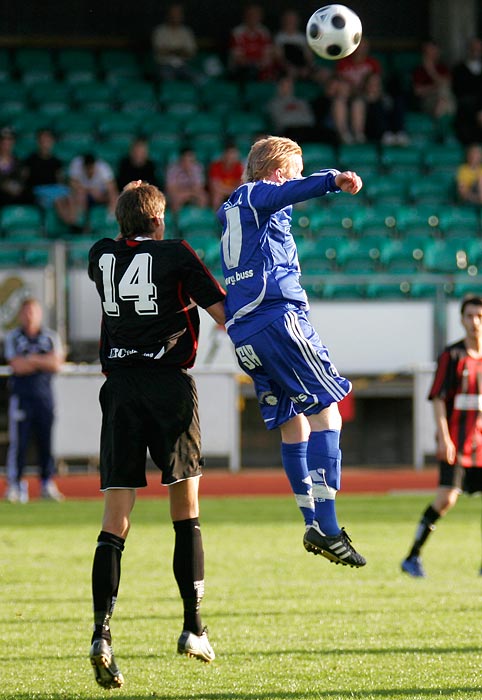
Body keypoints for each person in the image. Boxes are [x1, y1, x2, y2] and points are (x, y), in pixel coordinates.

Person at [87, 180, 226, 689]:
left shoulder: (98, 254)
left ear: (120, 221)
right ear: (160, 220)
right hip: (169, 387)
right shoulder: (177, 254)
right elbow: (223, 314)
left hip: (120, 388)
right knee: (185, 511)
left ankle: (102, 633)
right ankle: (192, 627)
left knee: (115, 517)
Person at [217, 135, 366, 568]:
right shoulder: (258, 193)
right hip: (276, 317)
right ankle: (329, 525)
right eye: (295, 170)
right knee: (328, 411)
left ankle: (310, 520)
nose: (297, 179)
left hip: (245, 329)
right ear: (279, 171)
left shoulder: (232, 206)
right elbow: (287, 191)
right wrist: (331, 181)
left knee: (292, 424)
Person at [401, 294, 482, 578]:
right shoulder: (453, 355)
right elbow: (437, 398)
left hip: (481, 445)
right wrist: (444, 437)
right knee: (446, 499)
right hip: (457, 444)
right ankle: (412, 556)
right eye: (470, 316)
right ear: (461, 319)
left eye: (479, 316)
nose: (474, 322)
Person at [3, 297, 65, 504]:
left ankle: (47, 483)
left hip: (45, 398)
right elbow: (16, 365)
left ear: (39, 314)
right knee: (19, 443)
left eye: (33, 312)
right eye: (26, 312)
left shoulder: (50, 337)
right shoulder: (13, 337)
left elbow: (57, 363)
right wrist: (42, 361)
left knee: (46, 443)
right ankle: (15, 484)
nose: (29, 316)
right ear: (21, 315)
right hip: (22, 399)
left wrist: (32, 360)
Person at [332, 37, 382, 143]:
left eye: (364, 47)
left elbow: (376, 85)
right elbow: (339, 84)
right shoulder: (343, 63)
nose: (361, 50)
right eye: (358, 47)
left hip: (366, 98)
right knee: (339, 101)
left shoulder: (372, 63)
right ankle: (344, 135)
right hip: (347, 96)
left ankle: (359, 135)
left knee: (358, 102)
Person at [55, 153, 119, 231]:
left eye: (91, 168)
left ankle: (109, 220)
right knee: (79, 194)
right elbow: (72, 184)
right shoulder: (76, 164)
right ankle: (79, 221)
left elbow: (112, 189)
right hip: (81, 196)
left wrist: (111, 209)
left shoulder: (103, 168)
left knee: (114, 196)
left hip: (99, 196)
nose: (89, 171)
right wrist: (89, 190)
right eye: (87, 169)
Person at [228, 3, 278, 83]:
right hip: (242, 70)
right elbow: (237, 58)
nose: (253, 18)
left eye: (256, 15)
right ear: (245, 16)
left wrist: (259, 65)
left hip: (261, 69)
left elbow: (268, 55)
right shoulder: (237, 32)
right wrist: (252, 64)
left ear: (260, 17)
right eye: (250, 15)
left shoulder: (264, 32)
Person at [22, 128, 69, 208]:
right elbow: (24, 179)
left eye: (48, 140)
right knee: (57, 200)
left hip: (54, 189)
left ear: (52, 142)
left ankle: (74, 219)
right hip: (38, 191)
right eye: (42, 140)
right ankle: (69, 220)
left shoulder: (56, 161)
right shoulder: (30, 160)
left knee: (70, 197)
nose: (45, 143)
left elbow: (60, 180)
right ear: (38, 142)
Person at [151, 2, 198, 82]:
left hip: (183, 65)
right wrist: (180, 50)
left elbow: (190, 52)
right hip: (164, 65)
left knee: (199, 79)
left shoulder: (187, 32)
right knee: (167, 80)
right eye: (173, 13)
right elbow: (160, 51)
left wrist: (170, 50)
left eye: (178, 14)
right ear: (168, 15)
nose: (175, 16)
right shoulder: (160, 31)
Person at [411, 39, 455, 121]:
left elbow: (447, 84)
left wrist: (431, 71)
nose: (431, 53)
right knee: (443, 102)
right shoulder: (418, 70)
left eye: (433, 50)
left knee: (443, 100)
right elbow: (418, 92)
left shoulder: (442, 68)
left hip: (446, 99)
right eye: (428, 51)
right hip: (428, 100)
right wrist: (436, 87)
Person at [267, 75, 317, 143]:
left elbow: (310, 119)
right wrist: (299, 117)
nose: (287, 88)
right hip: (287, 132)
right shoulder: (273, 103)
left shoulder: (302, 102)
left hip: (305, 129)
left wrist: (291, 117)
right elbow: (280, 121)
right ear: (279, 87)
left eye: (289, 85)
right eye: (284, 85)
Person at [452, 37, 482, 145]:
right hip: (466, 108)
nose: (476, 52)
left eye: (479, 49)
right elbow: (459, 91)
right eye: (474, 49)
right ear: (469, 50)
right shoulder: (459, 69)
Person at [274, 9, 315, 81]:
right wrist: (288, 67)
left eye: (293, 19)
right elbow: (278, 58)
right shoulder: (279, 38)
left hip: (302, 68)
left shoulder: (302, 38)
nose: (290, 21)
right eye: (288, 19)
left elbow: (308, 57)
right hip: (286, 68)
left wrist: (306, 68)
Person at [165, 146, 208, 214]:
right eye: (185, 160)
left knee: (203, 197)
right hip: (178, 193)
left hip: (192, 192)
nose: (188, 163)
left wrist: (190, 173)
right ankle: (177, 222)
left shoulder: (197, 167)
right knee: (175, 198)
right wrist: (186, 193)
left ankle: (198, 219)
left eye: (191, 160)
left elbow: (199, 187)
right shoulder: (172, 169)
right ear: (181, 160)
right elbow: (171, 189)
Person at [207, 141, 244, 211]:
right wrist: (231, 190)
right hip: (221, 192)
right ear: (225, 154)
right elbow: (215, 187)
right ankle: (216, 218)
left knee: (241, 196)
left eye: (234, 154)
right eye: (230, 154)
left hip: (231, 191)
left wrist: (232, 191)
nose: (232, 157)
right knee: (217, 196)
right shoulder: (216, 166)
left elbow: (241, 185)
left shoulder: (239, 167)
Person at [0, 126, 29, 206]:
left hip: (15, 194)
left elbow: (22, 179)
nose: (6, 142)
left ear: (13, 142)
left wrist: (18, 187)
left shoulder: (19, 161)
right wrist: (4, 185)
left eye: (9, 139)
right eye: (3, 140)